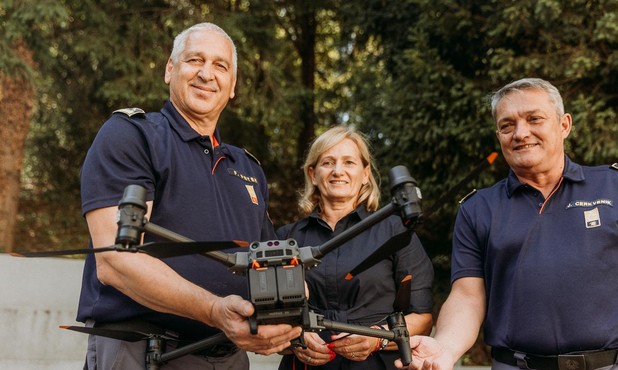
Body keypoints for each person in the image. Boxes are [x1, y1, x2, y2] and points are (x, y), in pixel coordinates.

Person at [76, 22, 301, 370]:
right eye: (195, 60)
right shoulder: (132, 135)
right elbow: (115, 262)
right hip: (145, 351)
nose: (206, 74)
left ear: (233, 87)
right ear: (170, 69)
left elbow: (271, 267)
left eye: (220, 65)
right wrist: (214, 310)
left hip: (229, 356)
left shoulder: (249, 169)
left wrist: (295, 323)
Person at [396, 78, 618, 370]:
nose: (521, 133)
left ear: (564, 125)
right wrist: (445, 349)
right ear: (498, 135)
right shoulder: (478, 209)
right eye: (507, 125)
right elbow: (468, 297)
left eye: (534, 119)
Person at [277, 125, 435, 370]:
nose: (338, 171)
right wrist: (294, 336)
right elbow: (269, 316)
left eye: (349, 162)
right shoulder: (287, 239)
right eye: (327, 163)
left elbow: (422, 318)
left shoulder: (395, 232)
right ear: (312, 174)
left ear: (365, 174)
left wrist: (377, 338)